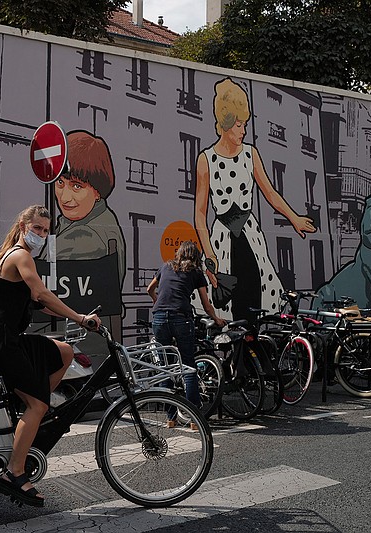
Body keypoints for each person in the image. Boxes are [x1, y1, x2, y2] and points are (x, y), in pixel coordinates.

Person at [0, 204, 101, 507]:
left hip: (9, 339)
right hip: (0, 344)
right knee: (39, 404)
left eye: (46, 231)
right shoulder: (20, 256)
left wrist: (76, 315)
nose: (42, 235)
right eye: (37, 229)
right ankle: (14, 473)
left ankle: (33, 409)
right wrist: (80, 318)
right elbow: (43, 294)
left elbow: (39, 303)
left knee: (64, 351)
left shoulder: (21, 258)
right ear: (23, 227)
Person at [194, 78, 315, 321]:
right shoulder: (205, 159)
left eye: (245, 124)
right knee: (229, 306)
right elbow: (199, 213)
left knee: (256, 296)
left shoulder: (251, 154)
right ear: (226, 124)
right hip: (222, 241)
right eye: (239, 125)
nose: (243, 130)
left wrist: (294, 219)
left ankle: (254, 351)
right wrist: (210, 255)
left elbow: (270, 193)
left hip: (250, 236)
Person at [146, 240, 226, 429]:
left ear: (179, 253)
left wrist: (157, 302)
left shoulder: (165, 267)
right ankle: (193, 419)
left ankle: (171, 418)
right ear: (196, 256)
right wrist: (216, 318)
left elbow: (150, 289)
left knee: (167, 367)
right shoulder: (196, 273)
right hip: (181, 318)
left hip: (159, 318)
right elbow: (206, 304)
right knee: (188, 365)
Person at [40, 130, 126, 288]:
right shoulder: (100, 220)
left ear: (97, 191)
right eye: (60, 183)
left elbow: (42, 283)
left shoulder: (84, 235)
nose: (65, 197)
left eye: (76, 186)